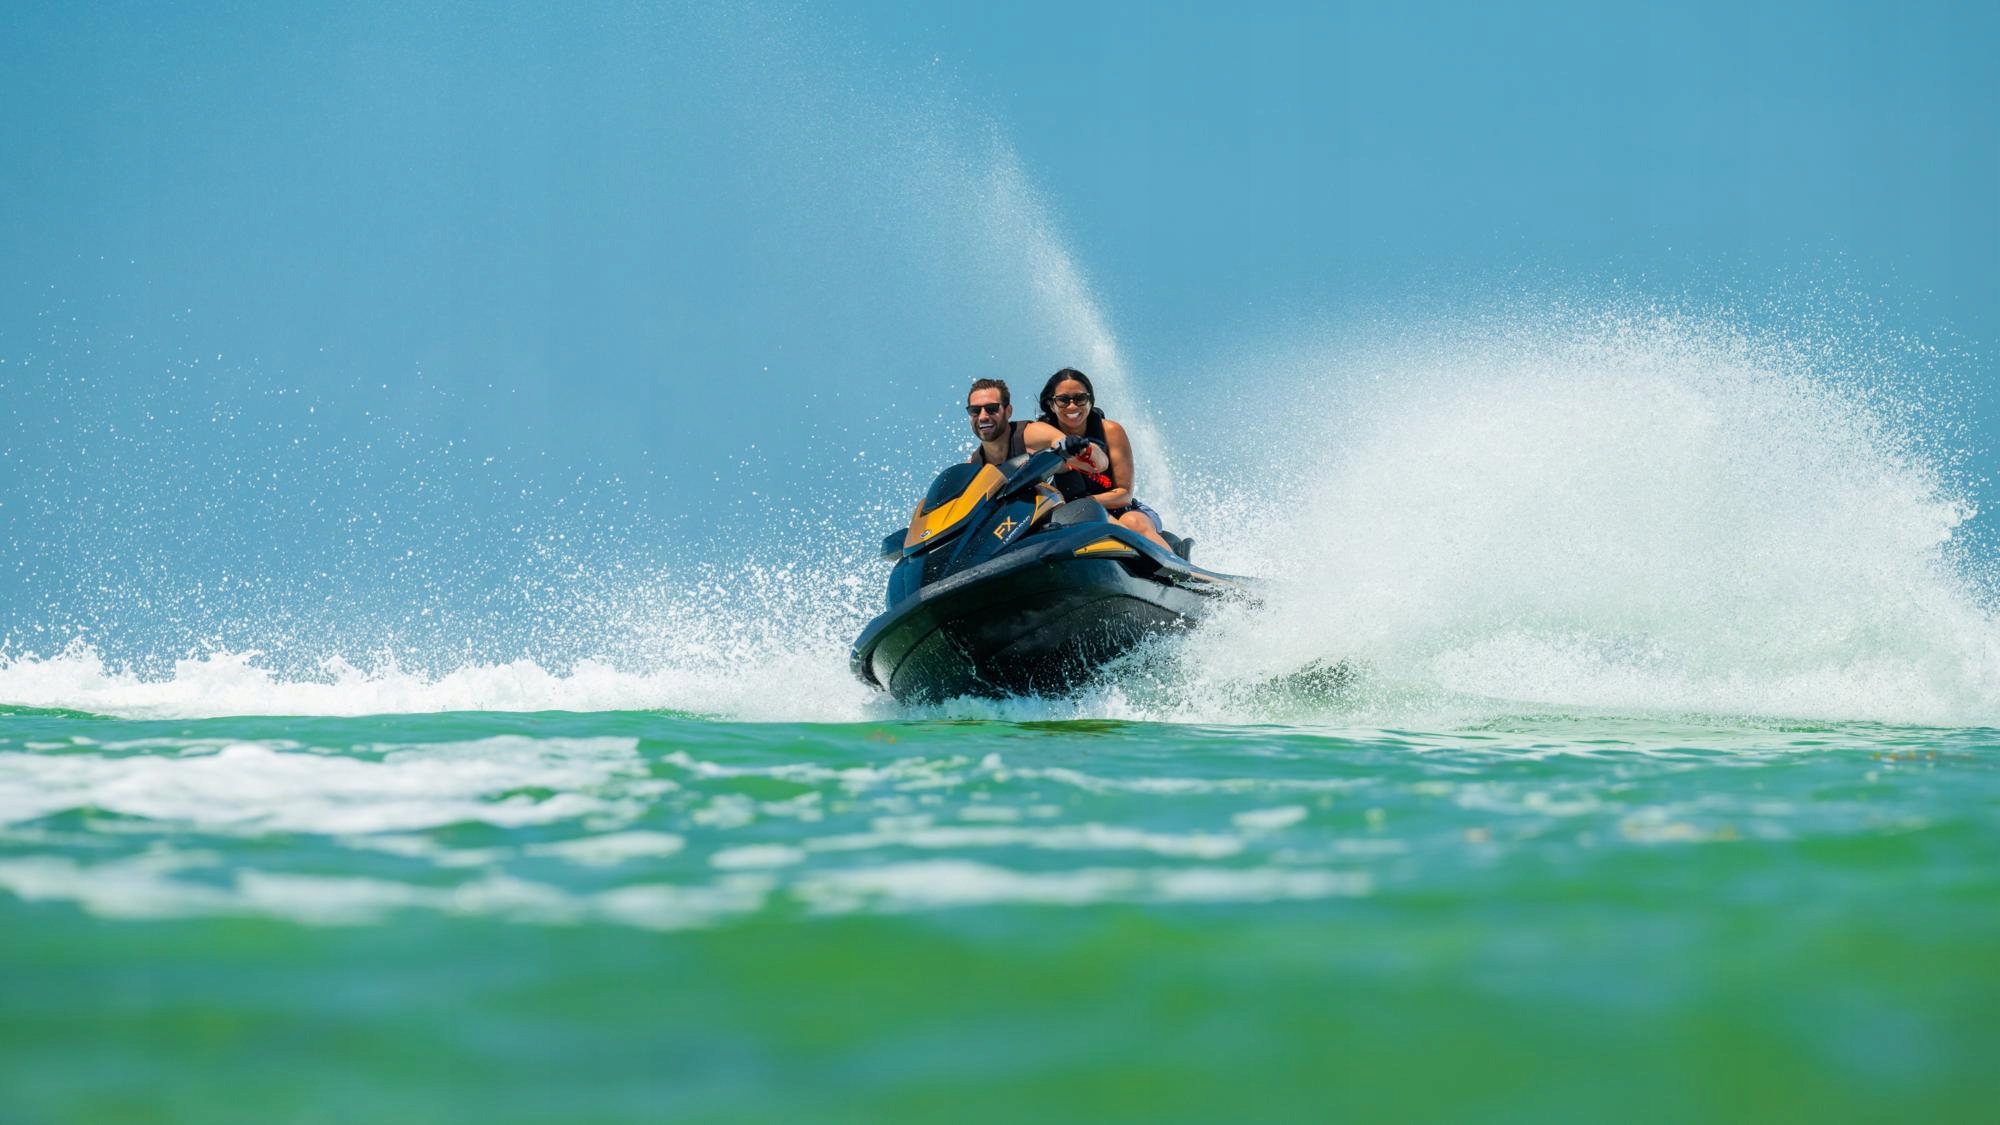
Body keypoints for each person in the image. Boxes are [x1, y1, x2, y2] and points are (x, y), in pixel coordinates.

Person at [1035, 368, 1176, 553]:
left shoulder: (1110, 431)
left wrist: (1085, 504)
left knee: (1132, 522)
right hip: (1067, 518)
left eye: (1080, 398)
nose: (1072, 406)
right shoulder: (1039, 436)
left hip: (1122, 510)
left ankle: (1176, 568)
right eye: (1063, 400)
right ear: (1051, 404)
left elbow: (1124, 494)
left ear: (1090, 401)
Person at [965, 377, 1107, 474]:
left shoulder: (1033, 434)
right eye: (975, 411)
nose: (983, 417)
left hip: (1072, 505)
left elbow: (1099, 465)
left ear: (1008, 411)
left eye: (992, 409)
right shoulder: (973, 466)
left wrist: (1083, 449)